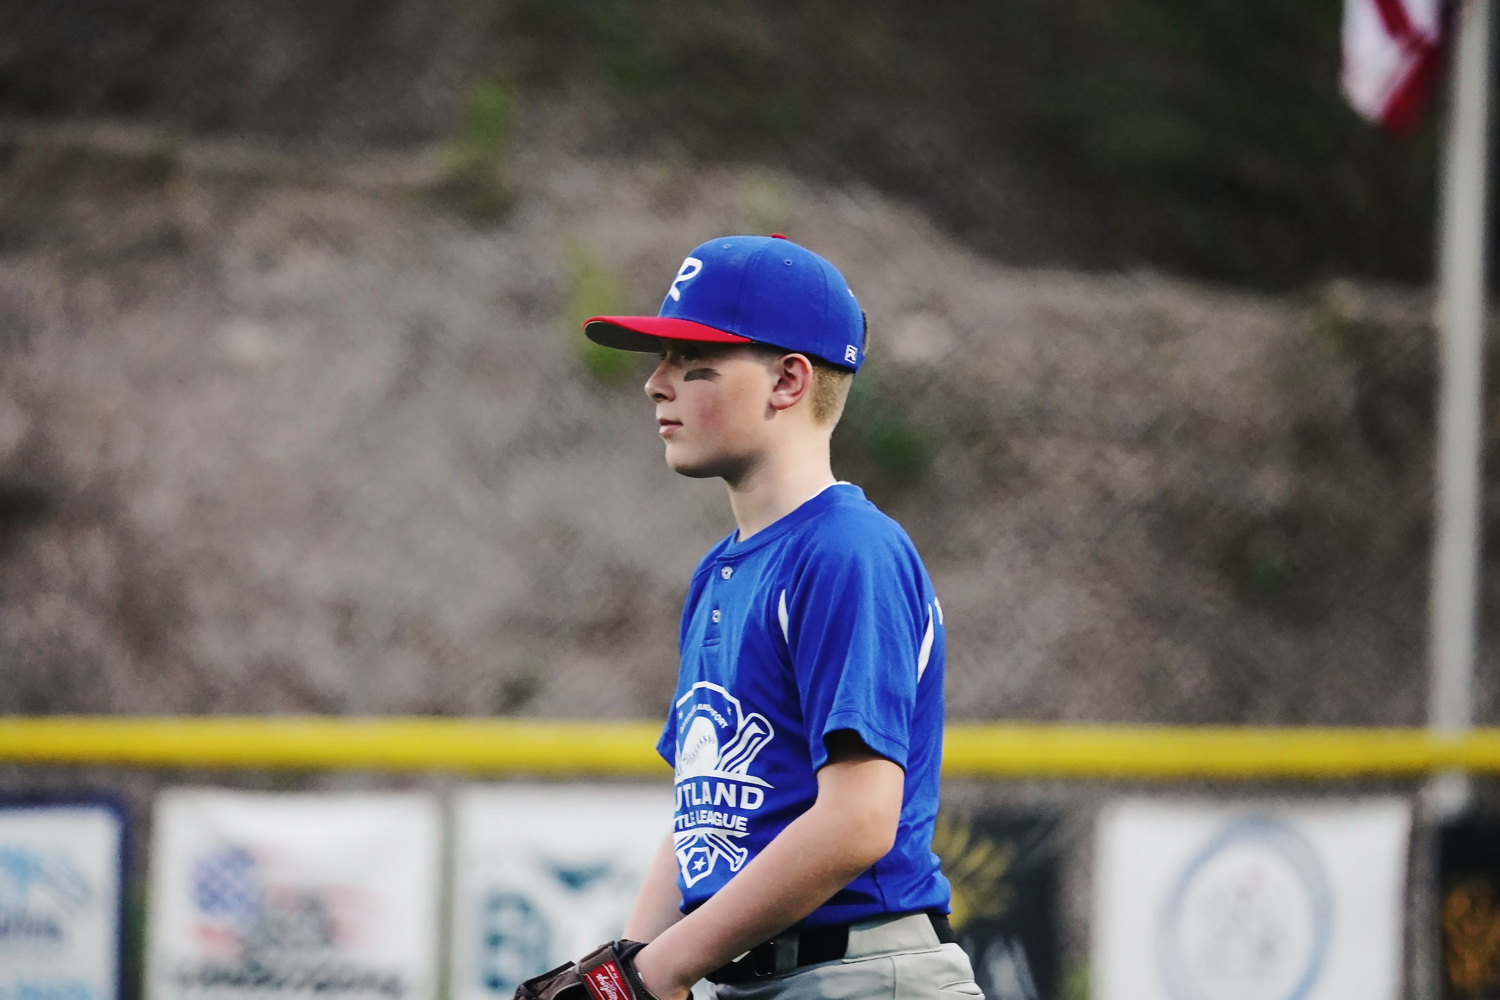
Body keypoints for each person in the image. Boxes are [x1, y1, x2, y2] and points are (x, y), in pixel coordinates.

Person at [581, 235, 980, 1000]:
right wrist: (626, 968)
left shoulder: (845, 550)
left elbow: (858, 822)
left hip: (862, 977)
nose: (656, 384)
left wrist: (661, 968)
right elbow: (703, 815)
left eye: (692, 361)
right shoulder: (722, 570)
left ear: (788, 380)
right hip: (770, 978)